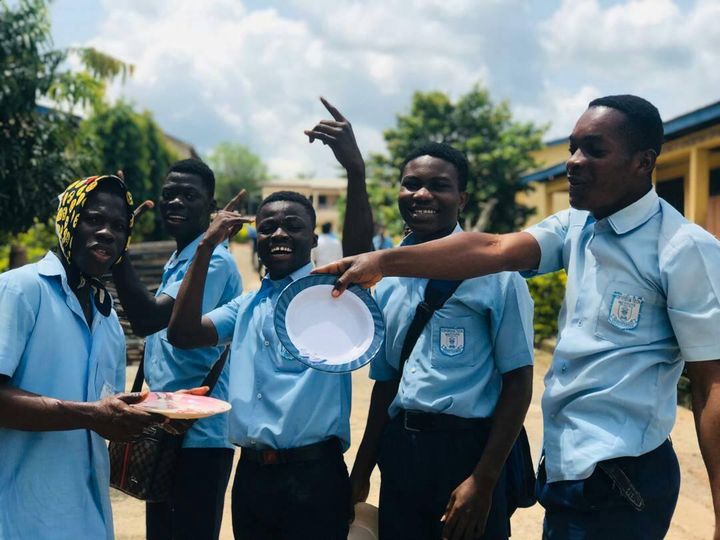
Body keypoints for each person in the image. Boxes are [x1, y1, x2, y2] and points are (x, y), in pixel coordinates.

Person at [315, 95, 720, 540]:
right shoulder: (577, 228)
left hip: (625, 476)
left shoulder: (683, 249)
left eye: (595, 151)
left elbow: (711, 384)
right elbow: (494, 249)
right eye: (572, 148)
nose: (574, 162)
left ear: (643, 162)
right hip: (566, 469)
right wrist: (385, 261)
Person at [166, 97, 368, 540]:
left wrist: (355, 172)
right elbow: (182, 334)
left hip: (314, 475)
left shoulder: (331, 293)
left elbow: (359, 252)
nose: (279, 233)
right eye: (268, 226)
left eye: (292, 225)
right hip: (253, 477)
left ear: (313, 237)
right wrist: (204, 247)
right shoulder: (248, 305)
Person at [335, 140, 535, 540]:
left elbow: (518, 382)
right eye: (411, 184)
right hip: (403, 451)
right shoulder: (387, 277)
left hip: (468, 453)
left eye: (438, 185)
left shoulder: (496, 273)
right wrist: (362, 470)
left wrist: (483, 480)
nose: (422, 194)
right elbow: (386, 384)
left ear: (460, 198)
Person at [0, 175, 163, 539]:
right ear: (68, 220)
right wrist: (91, 415)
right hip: (20, 518)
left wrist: (154, 418)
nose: (107, 232)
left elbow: (105, 413)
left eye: (119, 226)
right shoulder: (20, 290)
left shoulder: (108, 321)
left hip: (88, 517)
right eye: (94, 219)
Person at [111, 159, 243, 540]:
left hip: (199, 435)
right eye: (169, 195)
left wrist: (119, 250)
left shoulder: (213, 261)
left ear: (211, 206)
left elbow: (151, 319)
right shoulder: (179, 257)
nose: (176, 203)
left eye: (189, 195)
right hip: (167, 425)